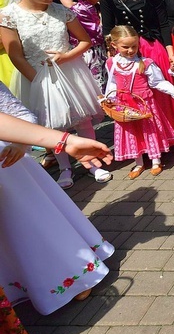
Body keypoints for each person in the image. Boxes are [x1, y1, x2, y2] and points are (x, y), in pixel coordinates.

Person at [0, 83, 114, 317]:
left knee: (29, 228)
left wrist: (61, 141)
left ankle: (71, 278)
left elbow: (18, 115)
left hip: (7, 167)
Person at [0, 0, 112, 187]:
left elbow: (85, 41)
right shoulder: (9, 16)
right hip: (35, 74)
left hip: (68, 71)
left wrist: (66, 55)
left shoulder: (61, 11)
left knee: (82, 119)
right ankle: (64, 167)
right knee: (53, 124)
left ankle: (93, 163)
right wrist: (38, 82)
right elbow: (16, 55)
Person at [100, 0, 174, 145]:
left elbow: (164, 25)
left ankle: (163, 142)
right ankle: (141, 144)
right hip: (127, 52)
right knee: (132, 98)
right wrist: (113, 56)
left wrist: (170, 53)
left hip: (153, 49)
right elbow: (108, 29)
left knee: (158, 96)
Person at [104, 26, 174, 178]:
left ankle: (156, 160)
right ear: (114, 45)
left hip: (144, 103)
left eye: (134, 46)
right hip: (125, 104)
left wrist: (173, 90)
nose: (130, 50)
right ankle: (139, 162)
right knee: (133, 132)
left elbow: (157, 82)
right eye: (125, 47)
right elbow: (113, 82)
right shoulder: (112, 63)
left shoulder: (145, 63)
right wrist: (109, 98)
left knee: (149, 130)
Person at [70, 0, 107, 92]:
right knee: (96, 78)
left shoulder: (90, 7)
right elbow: (95, 30)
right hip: (90, 49)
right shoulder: (80, 9)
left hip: (97, 47)